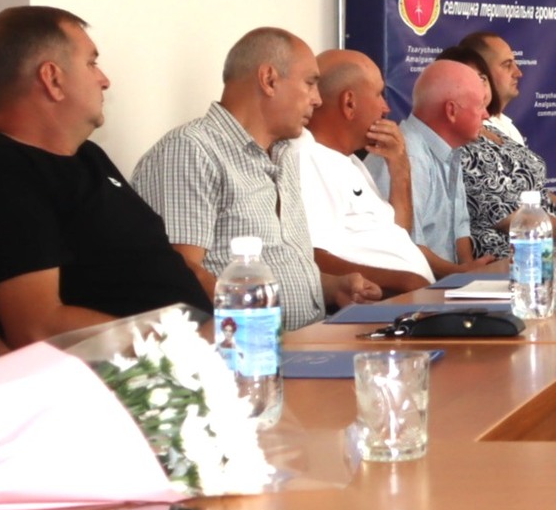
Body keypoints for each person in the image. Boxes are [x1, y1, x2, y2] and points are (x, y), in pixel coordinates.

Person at [0, 6, 210, 347]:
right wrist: (185, 341)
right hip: (142, 370)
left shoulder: (88, 156)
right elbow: (39, 327)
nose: (104, 79)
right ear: (52, 79)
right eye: (91, 63)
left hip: (200, 353)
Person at [131, 27, 380, 331]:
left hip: (310, 339)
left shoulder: (283, 153)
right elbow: (181, 277)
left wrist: (330, 287)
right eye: (310, 83)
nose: (317, 100)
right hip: (247, 349)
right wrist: (260, 338)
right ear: (269, 80)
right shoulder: (191, 150)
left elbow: (278, 263)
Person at [293, 49, 436, 295]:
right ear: (349, 103)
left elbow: (397, 234)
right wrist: (407, 282)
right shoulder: (306, 158)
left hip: (410, 302)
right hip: (376, 308)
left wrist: (399, 168)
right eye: (379, 94)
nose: (386, 108)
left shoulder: (349, 160)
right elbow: (312, 257)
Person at [441, 44, 556, 259]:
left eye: (482, 78)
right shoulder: (460, 143)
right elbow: (506, 216)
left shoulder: (493, 129)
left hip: (552, 242)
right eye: (471, 80)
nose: (480, 87)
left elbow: (534, 188)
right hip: (514, 258)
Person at [367, 56, 483, 270]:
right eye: (480, 106)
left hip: (447, 282)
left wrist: (472, 273)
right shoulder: (408, 155)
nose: (486, 115)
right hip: (420, 285)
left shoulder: (451, 149)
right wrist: (462, 273)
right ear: (451, 111)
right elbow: (407, 246)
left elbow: (460, 228)